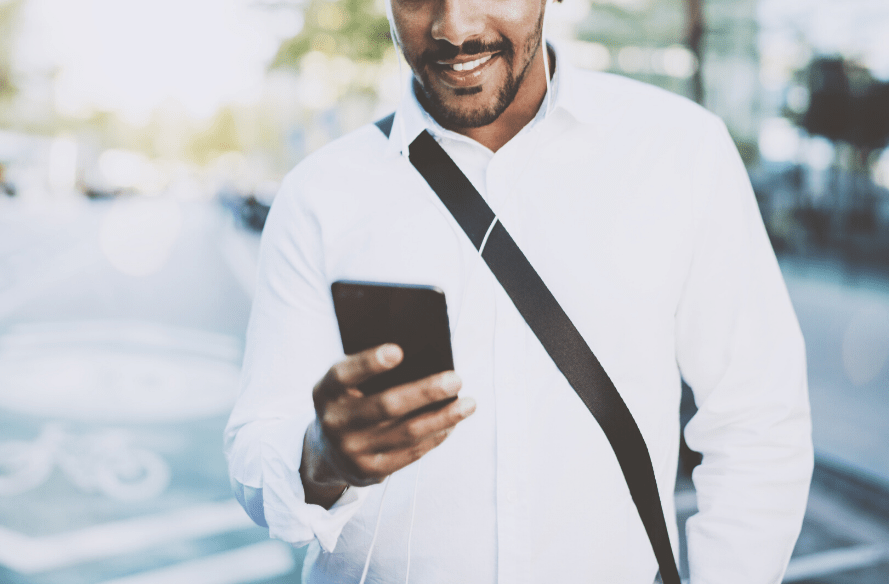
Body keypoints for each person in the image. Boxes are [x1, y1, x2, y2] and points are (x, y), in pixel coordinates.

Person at [225, 0, 813, 582]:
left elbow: (758, 425)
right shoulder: (320, 195)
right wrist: (321, 459)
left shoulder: (681, 153)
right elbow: (256, 451)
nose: (453, 28)